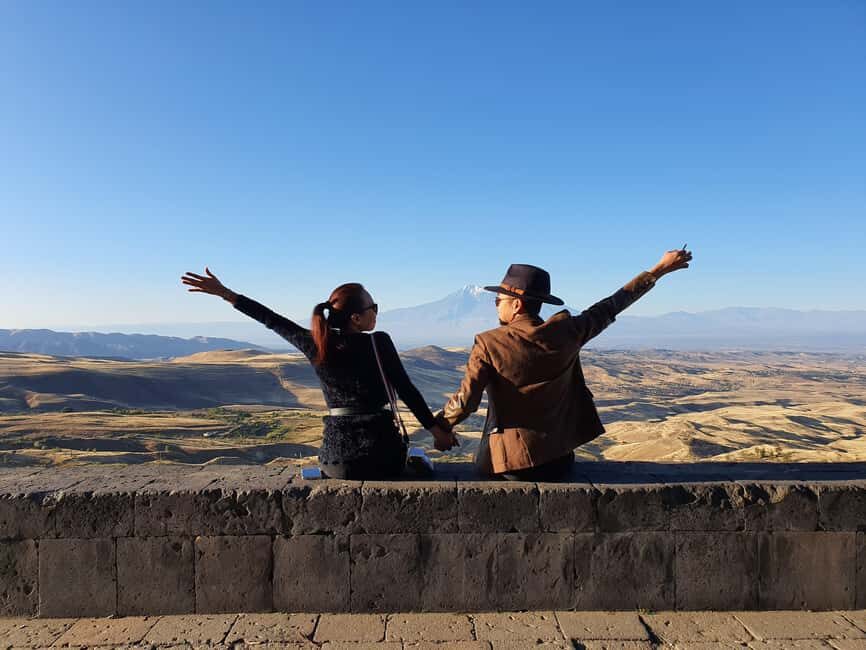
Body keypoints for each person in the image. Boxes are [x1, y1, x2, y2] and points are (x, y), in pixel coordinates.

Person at [436, 247, 693, 481]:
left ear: (516, 303)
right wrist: (658, 270)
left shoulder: (489, 343)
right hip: (558, 462)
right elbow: (610, 306)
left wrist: (441, 427)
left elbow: (465, 401)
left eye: (498, 301)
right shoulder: (568, 332)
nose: (496, 306)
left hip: (509, 464)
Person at [181, 269, 457, 479]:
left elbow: (271, 320)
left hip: (335, 461)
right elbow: (406, 390)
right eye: (372, 308)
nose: (376, 313)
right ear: (356, 318)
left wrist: (225, 293)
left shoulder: (316, 344)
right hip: (381, 457)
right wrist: (438, 432)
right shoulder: (378, 342)